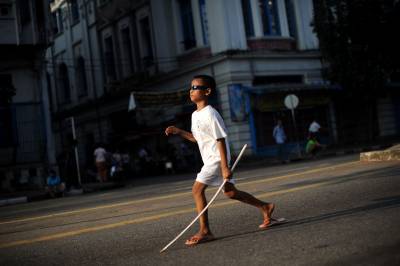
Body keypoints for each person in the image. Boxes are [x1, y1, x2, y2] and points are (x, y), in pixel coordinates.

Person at [165, 75, 275, 247]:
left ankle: (205, 231)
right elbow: (197, 138)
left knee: (197, 190)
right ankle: (265, 207)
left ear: (207, 91)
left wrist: (224, 167)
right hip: (210, 159)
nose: (191, 91)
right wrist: (179, 132)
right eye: (191, 87)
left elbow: (220, 140)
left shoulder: (211, 113)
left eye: (196, 87)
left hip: (216, 160)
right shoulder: (195, 115)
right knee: (230, 192)